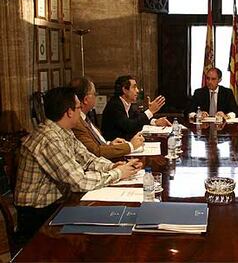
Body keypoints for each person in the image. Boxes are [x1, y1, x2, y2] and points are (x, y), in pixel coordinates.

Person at [14, 87, 142, 242]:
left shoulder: (63, 130)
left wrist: (113, 167)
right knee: (101, 235)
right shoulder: (49, 139)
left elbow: (87, 158)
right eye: (78, 107)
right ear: (69, 112)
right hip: (38, 214)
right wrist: (119, 174)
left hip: (57, 202)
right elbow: (79, 181)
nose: (81, 112)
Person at [70, 77, 145, 161]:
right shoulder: (76, 123)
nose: (96, 96)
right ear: (86, 100)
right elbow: (96, 152)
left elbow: (98, 143)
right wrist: (131, 146)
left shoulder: (84, 117)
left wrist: (110, 144)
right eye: (95, 93)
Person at [101, 75, 171, 141]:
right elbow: (130, 127)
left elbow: (137, 118)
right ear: (125, 90)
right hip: (115, 148)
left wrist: (155, 122)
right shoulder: (115, 105)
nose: (137, 90)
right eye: (134, 87)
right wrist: (150, 111)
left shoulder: (126, 103)